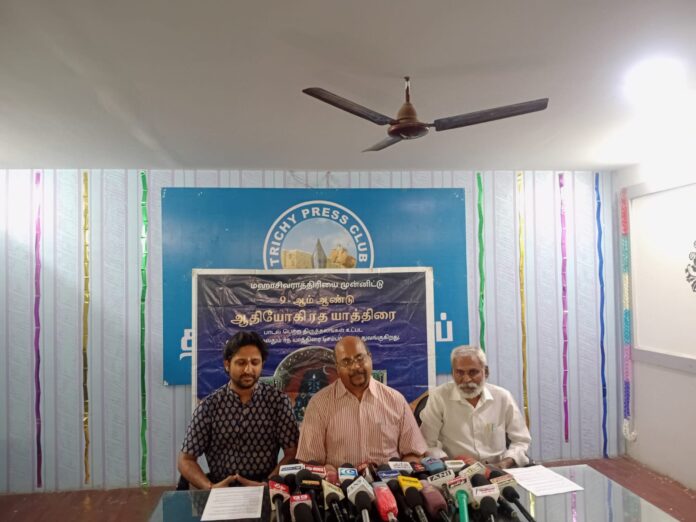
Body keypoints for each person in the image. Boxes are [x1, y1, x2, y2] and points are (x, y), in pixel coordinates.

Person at [178, 331, 299, 488]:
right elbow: (185, 459)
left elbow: (292, 453)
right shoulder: (209, 406)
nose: (248, 369)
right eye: (241, 363)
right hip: (221, 489)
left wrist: (269, 483)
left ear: (262, 364)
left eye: (255, 362)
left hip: (264, 488)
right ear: (227, 364)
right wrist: (210, 487)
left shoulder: (278, 402)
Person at [296, 336, 427, 467]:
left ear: (370, 358)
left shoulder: (396, 400)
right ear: (337, 368)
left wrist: (406, 471)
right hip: (338, 480)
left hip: (389, 479)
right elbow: (309, 462)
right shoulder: (319, 404)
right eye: (346, 362)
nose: (355, 367)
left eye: (360, 359)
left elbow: (414, 453)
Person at [419, 345, 531, 468]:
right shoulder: (439, 397)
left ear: (486, 372)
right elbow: (426, 443)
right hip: (456, 471)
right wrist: (451, 464)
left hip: (498, 469)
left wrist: (503, 464)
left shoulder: (502, 397)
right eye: (459, 372)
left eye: (473, 372)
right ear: (452, 373)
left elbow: (521, 440)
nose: (466, 379)